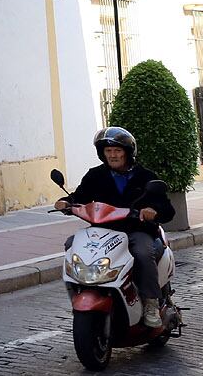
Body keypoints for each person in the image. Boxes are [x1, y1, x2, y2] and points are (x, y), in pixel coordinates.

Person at [55, 126, 176, 327]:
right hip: (103, 231)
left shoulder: (145, 176)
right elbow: (81, 195)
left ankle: (150, 303)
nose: (113, 155)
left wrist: (153, 210)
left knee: (143, 254)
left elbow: (166, 207)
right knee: (71, 245)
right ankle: (82, 291)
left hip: (136, 230)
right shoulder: (96, 175)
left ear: (128, 153)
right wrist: (66, 202)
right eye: (108, 151)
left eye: (117, 151)